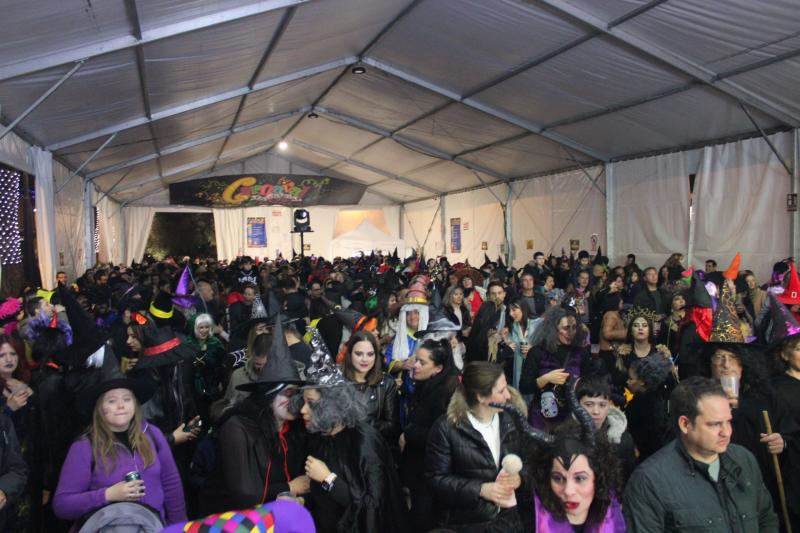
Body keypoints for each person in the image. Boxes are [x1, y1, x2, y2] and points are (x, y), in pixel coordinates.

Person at [623, 377, 778, 532]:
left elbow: (766, 519)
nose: (726, 432)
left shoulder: (744, 460)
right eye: (715, 424)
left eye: (728, 421)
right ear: (685, 424)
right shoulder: (650, 481)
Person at [52, 358, 186, 527]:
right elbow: (62, 505)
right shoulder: (84, 447)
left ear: (135, 404)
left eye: (127, 399)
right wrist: (107, 495)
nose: (121, 405)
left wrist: (178, 528)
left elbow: (172, 488)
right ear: (99, 408)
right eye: (112, 401)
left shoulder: (153, 435)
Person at [300, 329, 406, 533]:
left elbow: (373, 507)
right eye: (303, 402)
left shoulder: (364, 442)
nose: (303, 410)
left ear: (331, 404)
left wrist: (329, 479)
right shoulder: (320, 438)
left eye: (311, 404)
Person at [201, 315, 309, 513]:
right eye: (288, 394)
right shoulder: (238, 427)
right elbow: (244, 493)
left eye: (297, 395)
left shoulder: (294, 428)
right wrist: (290, 487)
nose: (295, 402)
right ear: (269, 396)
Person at [498, 378, 626, 533]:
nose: (568, 491)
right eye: (558, 478)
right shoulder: (529, 521)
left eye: (580, 478)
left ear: (598, 478)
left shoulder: (613, 520)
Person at [425, 361, 526, 531]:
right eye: (501, 391)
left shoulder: (512, 420)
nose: (508, 395)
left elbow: (530, 463)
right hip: (465, 523)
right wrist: (480, 489)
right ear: (480, 397)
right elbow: (436, 480)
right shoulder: (446, 428)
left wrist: (520, 478)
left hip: (509, 521)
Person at [399, 338, 459, 531]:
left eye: (422, 362)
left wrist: (409, 433)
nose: (415, 365)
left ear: (438, 368)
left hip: (431, 474)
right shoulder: (425, 385)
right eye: (416, 359)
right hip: (419, 469)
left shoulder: (445, 394)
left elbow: (440, 435)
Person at [519, 306, 594, 429]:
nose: (571, 332)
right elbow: (524, 387)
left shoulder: (581, 353)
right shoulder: (537, 352)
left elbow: (589, 384)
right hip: (541, 418)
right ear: (553, 329)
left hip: (571, 419)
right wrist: (545, 379)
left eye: (574, 327)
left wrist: (578, 383)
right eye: (566, 328)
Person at [576, 375, 637, 483]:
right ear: (577, 405)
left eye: (602, 405)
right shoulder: (565, 434)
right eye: (589, 404)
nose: (596, 411)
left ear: (609, 406)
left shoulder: (623, 440)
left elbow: (629, 475)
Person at [342, 331, 398, 443]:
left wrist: (361, 421)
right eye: (359, 354)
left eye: (370, 354)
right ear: (350, 354)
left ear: (376, 355)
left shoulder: (386, 383)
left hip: (370, 445)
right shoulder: (336, 379)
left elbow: (391, 427)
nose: (365, 359)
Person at [625, 355, 672, 460]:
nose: (628, 382)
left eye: (631, 379)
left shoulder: (637, 405)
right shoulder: (661, 396)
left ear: (642, 381)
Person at [502, 296, 539, 389]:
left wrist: (533, 349)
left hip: (535, 369)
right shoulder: (512, 327)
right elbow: (512, 349)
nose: (511, 313)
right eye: (509, 310)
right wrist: (505, 340)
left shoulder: (537, 324)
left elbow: (547, 344)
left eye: (514, 310)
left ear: (523, 308)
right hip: (519, 371)